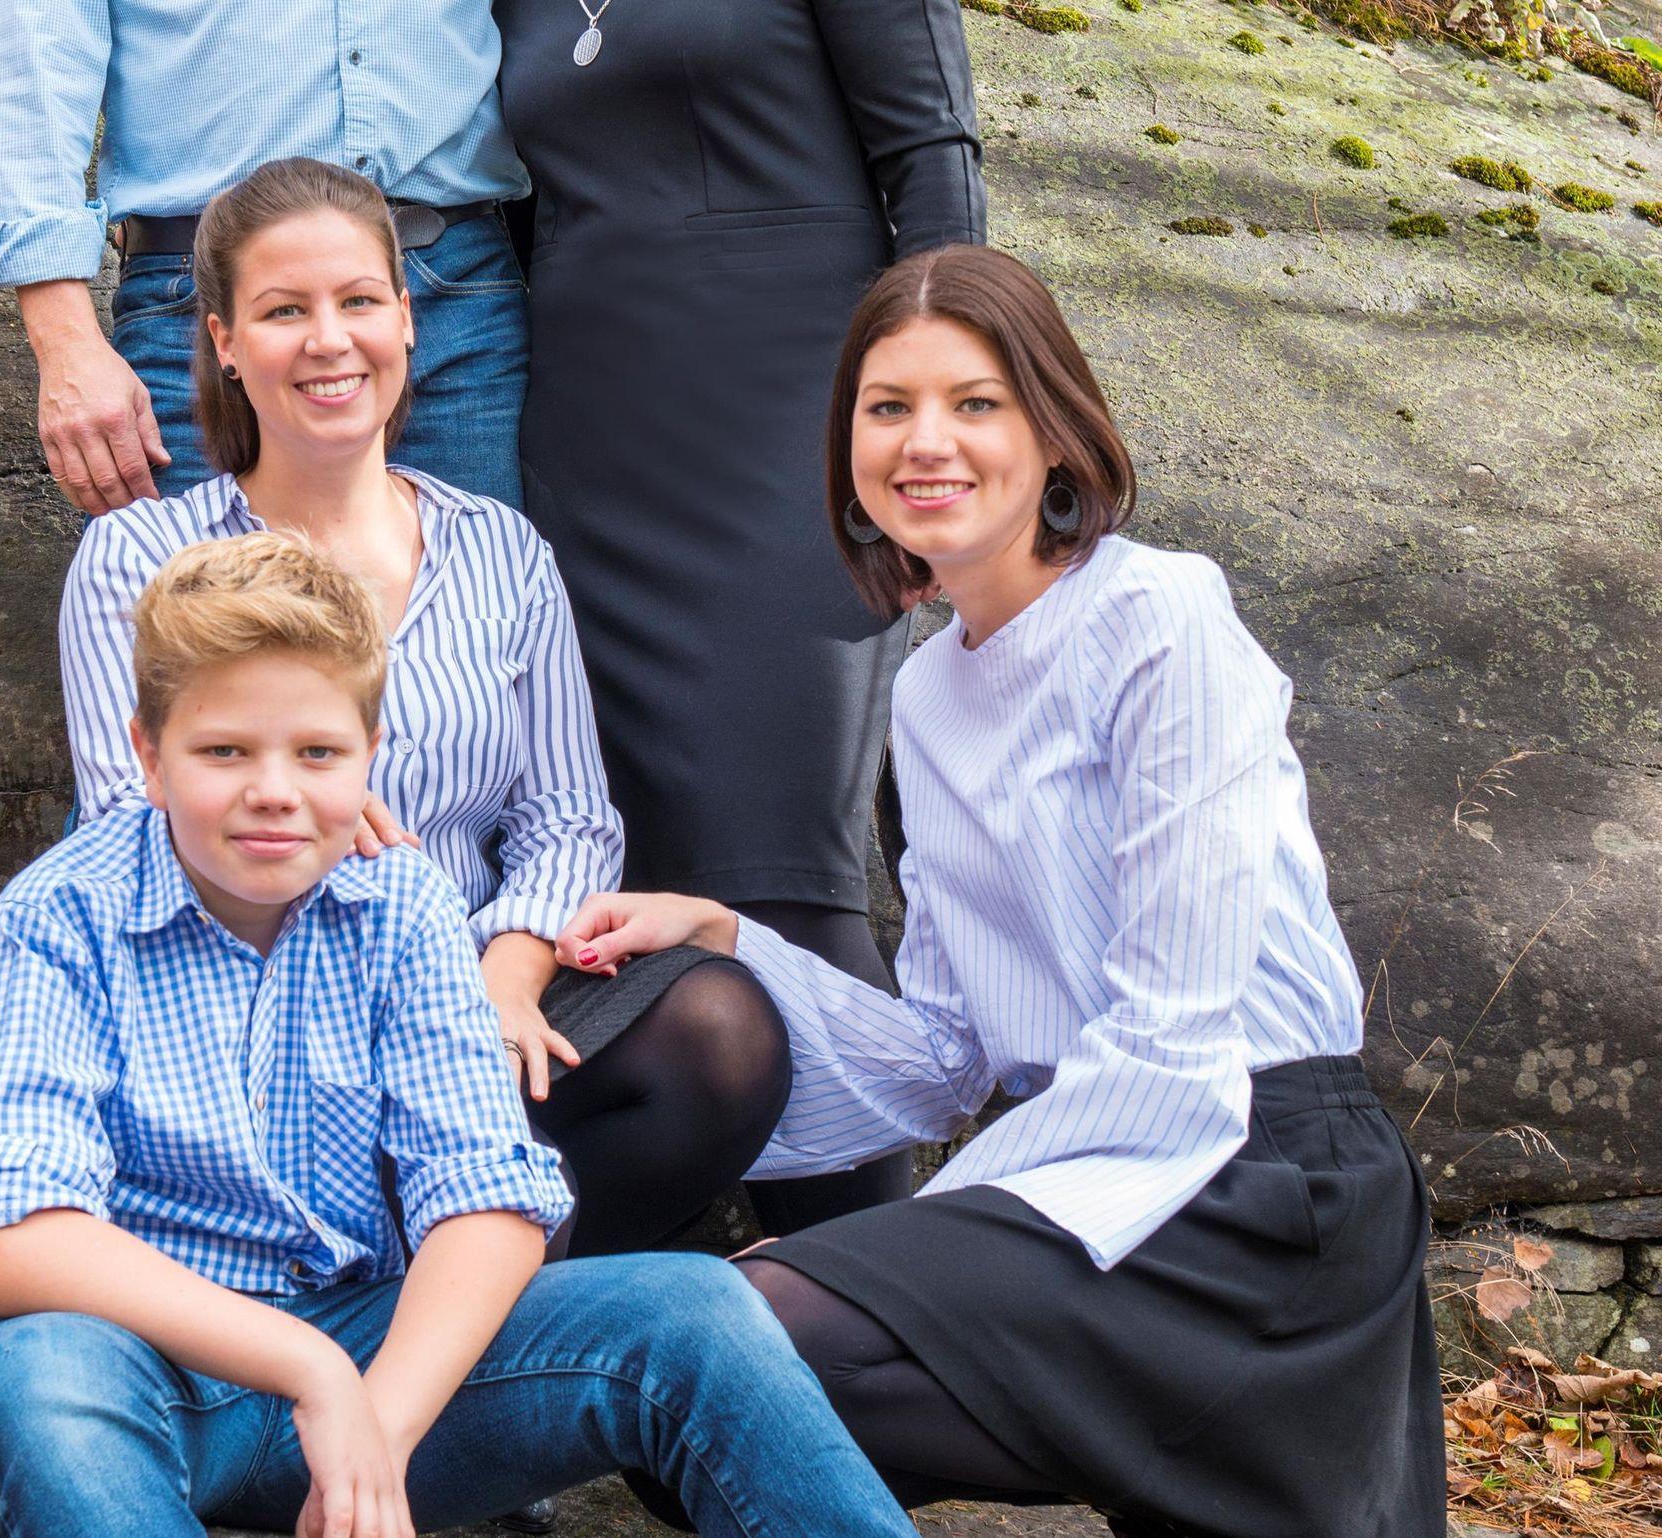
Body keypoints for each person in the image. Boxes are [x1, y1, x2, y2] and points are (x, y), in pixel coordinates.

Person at [552, 244, 1446, 1537]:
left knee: (727, 1342)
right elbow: (944, 1055)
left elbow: (1174, 1041)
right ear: (847, 448)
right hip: (1099, 1178)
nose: (927, 440)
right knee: (696, 1389)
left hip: (1257, 1188)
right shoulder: (928, 690)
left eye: (974, 401)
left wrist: (925, 1241)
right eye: (887, 405)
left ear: (1053, 430)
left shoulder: (1162, 616)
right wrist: (723, 933)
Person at [0, 531, 918, 1538]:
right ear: (149, 755)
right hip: (127, 1358)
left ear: (369, 753)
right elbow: (18, 1238)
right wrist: (308, 1367)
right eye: (224, 751)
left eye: (317, 753)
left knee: (697, 1310)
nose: (274, 789)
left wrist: (380, 1425)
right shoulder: (59, 916)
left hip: (367, 1353)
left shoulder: (401, 904)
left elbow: (486, 1198)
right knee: (37, 1378)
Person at [59, 157, 792, 1261]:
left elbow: (567, 817)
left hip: (477, 983)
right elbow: (129, 820)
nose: (329, 340)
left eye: (359, 300)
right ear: (223, 341)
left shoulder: (501, 549)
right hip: (256, 1007)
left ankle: (483, 1301)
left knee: (717, 1032)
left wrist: (504, 976)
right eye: (284, 311)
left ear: (407, 318)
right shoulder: (139, 557)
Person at [491, 0, 987, 1232]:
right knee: (633, 877)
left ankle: (859, 1298)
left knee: (783, 875)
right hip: (589, 446)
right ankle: (630, 1302)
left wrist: (926, 434)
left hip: (789, 428)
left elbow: (931, 160)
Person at [0, 0, 530, 513]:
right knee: (193, 591)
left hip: (456, 294)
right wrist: (65, 344)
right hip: (200, 302)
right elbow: (35, 51)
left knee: (477, 583)